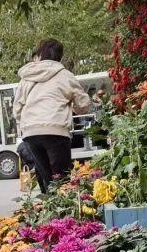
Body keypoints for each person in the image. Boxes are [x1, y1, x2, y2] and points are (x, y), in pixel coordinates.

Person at [13, 38, 91, 193]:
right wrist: (73, 108)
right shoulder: (65, 76)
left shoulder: (27, 77)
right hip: (56, 130)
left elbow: (16, 110)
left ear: (40, 54)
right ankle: (63, 214)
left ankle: (48, 210)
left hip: (31, 132)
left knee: (45, 176)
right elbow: (83, 104)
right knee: (61, 179)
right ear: (59, 57)